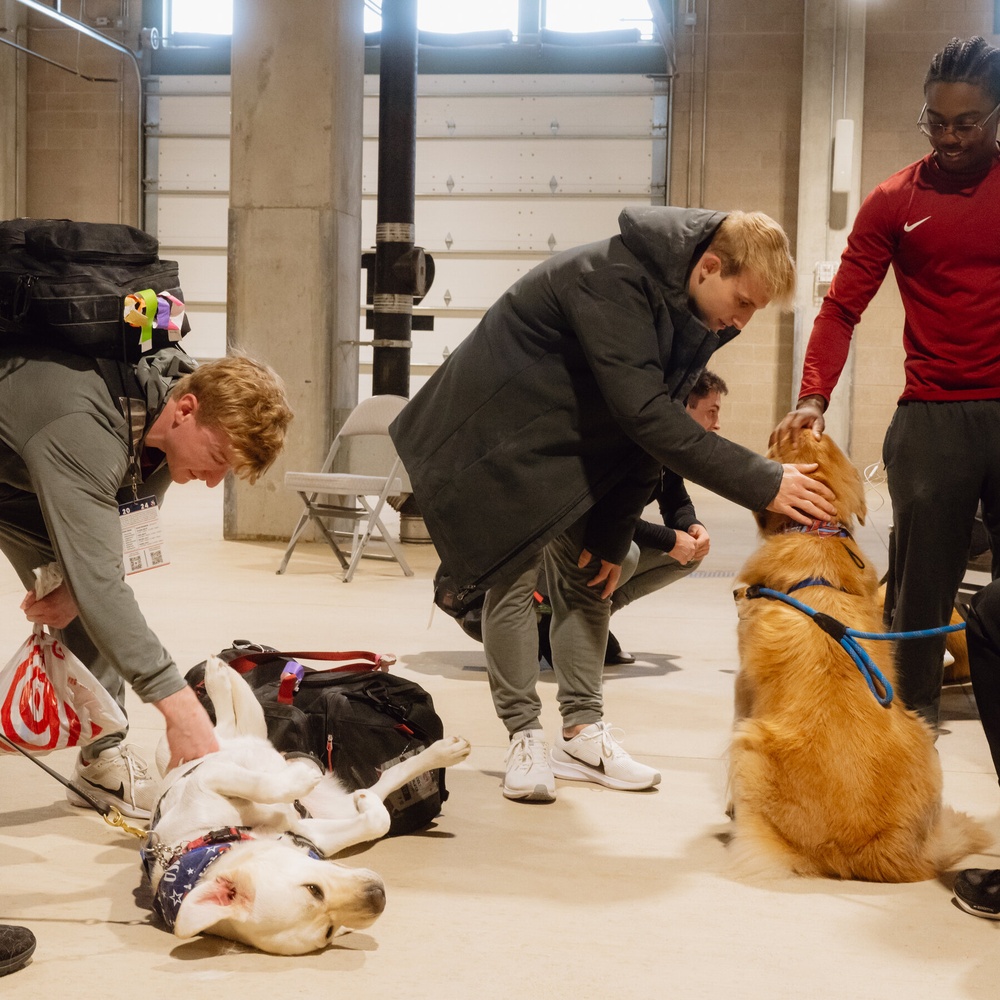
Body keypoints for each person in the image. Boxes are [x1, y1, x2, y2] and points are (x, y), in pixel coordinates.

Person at [391, 205, 837, 803]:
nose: (745, 320)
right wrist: (762, 480)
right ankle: (525, 736)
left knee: (591, 575)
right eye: (746, 300)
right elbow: (644, 414)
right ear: (708, 267)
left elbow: (649, 424)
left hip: (570, 441)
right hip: (495, 438)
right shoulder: (612, 279)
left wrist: (611, 531)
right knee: (514, 580)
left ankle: (580, 735)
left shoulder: (699, 315)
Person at [772, 35, 1000, 729]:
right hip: (933, 416)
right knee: (920, 590)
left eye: (966, 124)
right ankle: (911, 729)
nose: (950, 137)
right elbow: (843, 305)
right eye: (936, 122)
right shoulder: (896, 200)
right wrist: (813, 397)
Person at [0, 345, 292, 819]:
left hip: (21, 480)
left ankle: (101, 760)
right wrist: (183, 712)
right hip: (39, 455)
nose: (214, 481)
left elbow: (120, 536)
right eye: (216, 457)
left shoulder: (163, 416)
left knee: (90, 598)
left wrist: (77, 589)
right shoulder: (86, 428)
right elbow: (104, 585)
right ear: (186, 409)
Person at [605, 369, 728, 663]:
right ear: (684, 407)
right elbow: (609, 515)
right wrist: (670, 538)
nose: (717, 425)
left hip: (603, 539)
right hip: (565, 547)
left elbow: (675, 500)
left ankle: (596, 615)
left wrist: (692, 526)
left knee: (691, 552)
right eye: (711, 412)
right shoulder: (635, 443)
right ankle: (553, 614)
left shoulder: (670, 447)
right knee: (627, 553)